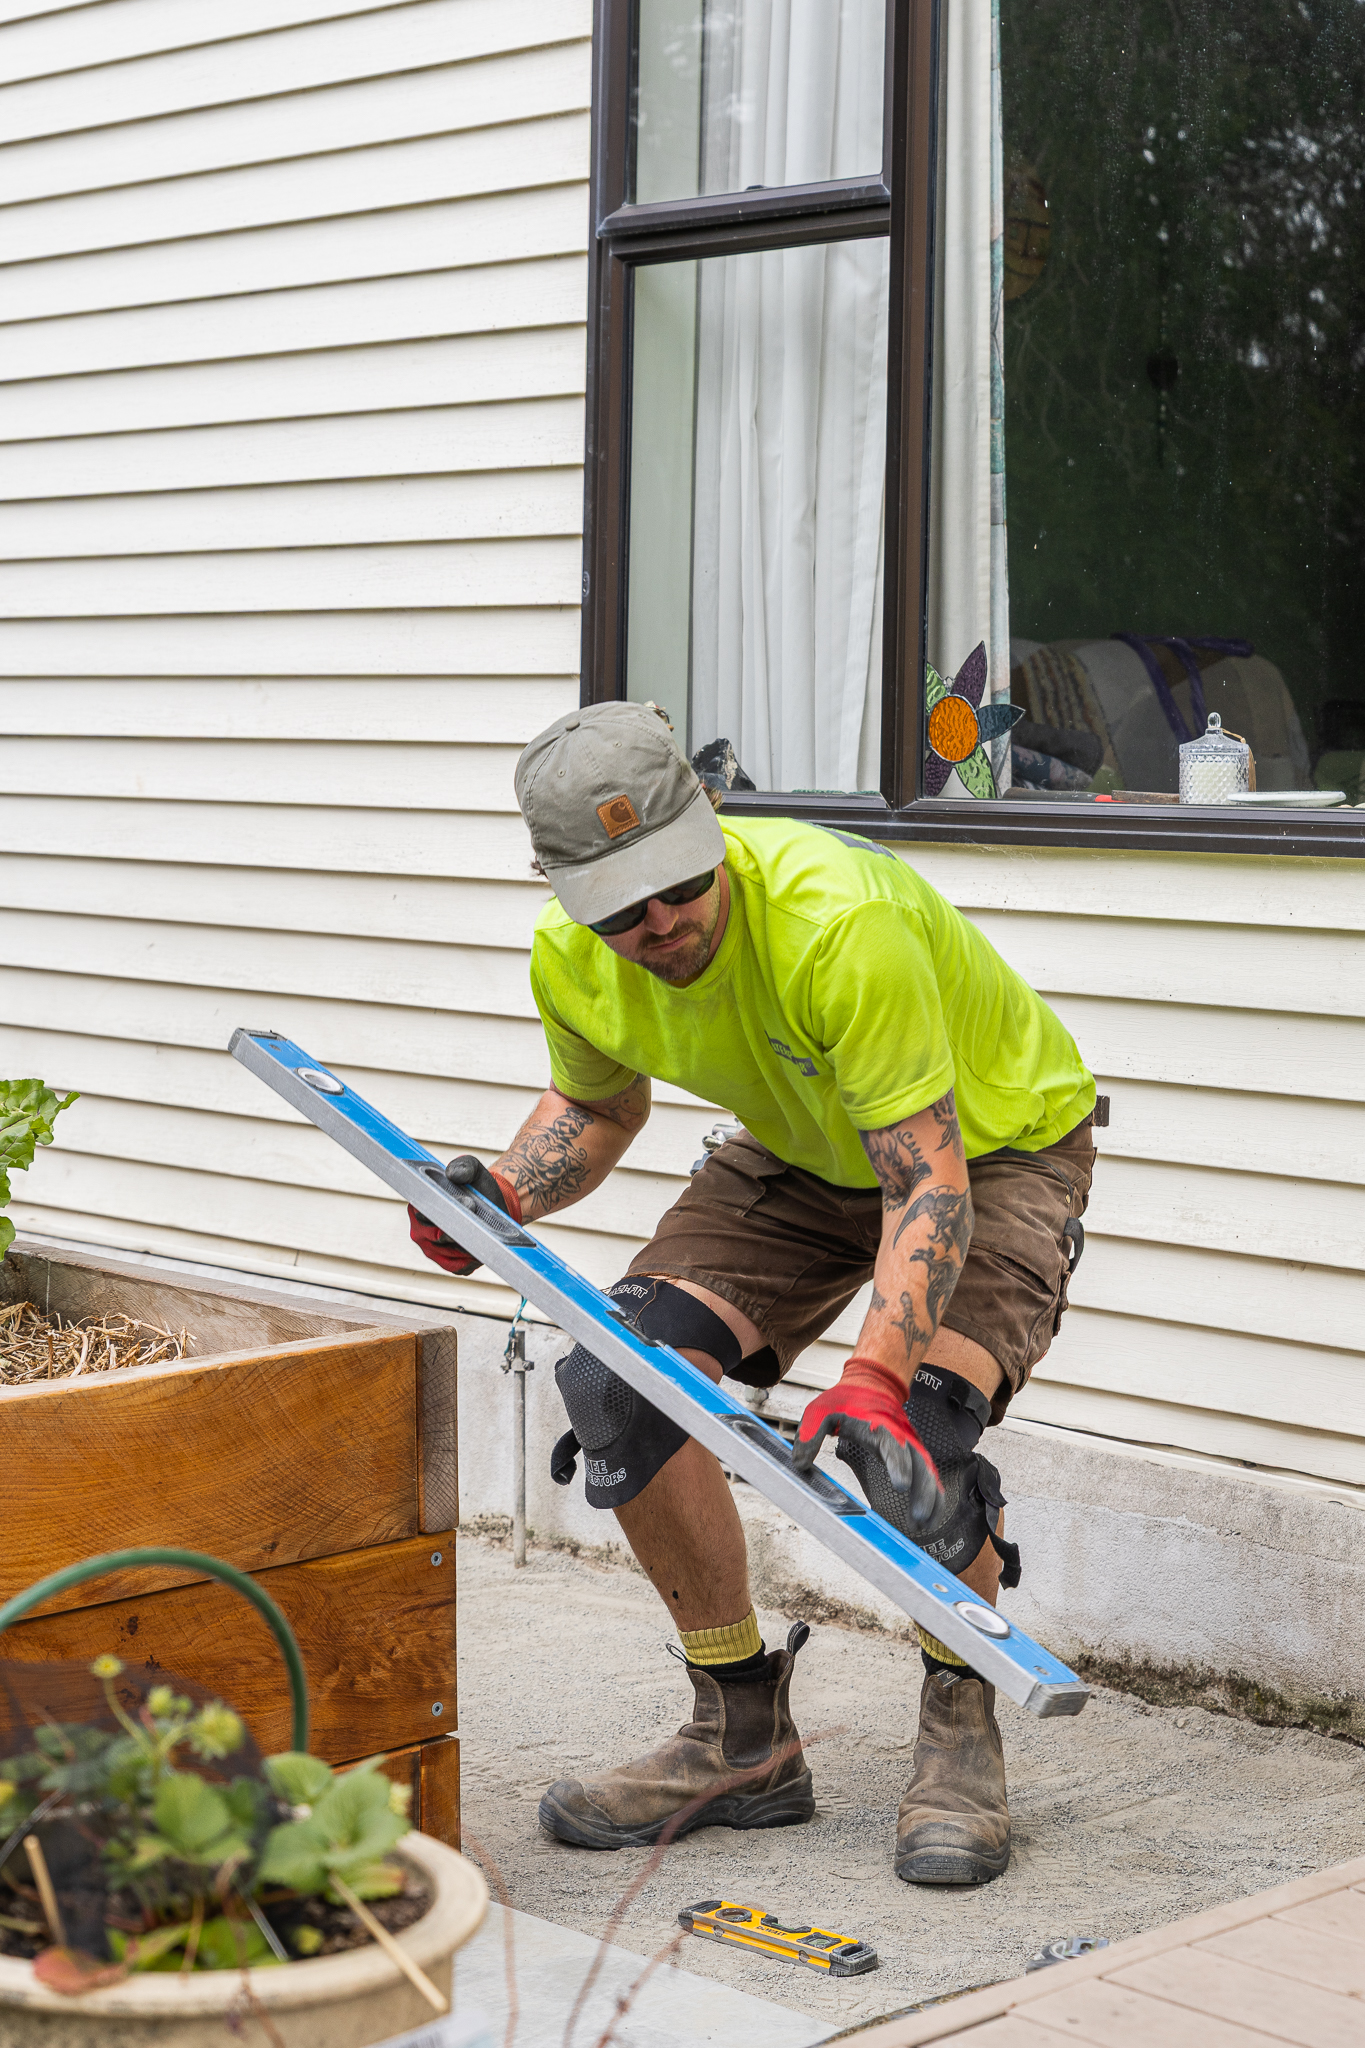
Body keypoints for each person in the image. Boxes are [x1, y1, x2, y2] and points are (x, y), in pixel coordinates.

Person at [410, 702, 1096, 1884]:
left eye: (679, 880)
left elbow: (927, 1184)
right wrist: (507, 1191)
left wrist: (875, 1380)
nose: (660, 921)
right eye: (621, 904)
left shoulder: (841, 924)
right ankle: (743, 1736)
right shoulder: (572, 961)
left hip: (990, 1149)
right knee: (619, 1380)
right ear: (562, 888)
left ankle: (957, 1715)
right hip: (798, 1152)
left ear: (711, 824)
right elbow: (597, 1106)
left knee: (914, 1445)